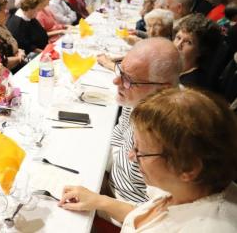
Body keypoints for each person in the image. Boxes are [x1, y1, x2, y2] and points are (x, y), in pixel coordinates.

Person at [60, 88, 237, 233]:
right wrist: (99, 201)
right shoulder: (185, 189)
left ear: (188, 168)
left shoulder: (209, 227)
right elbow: (145, 215)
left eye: (140, 151)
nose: (131, 156)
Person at [104, 38, 182, 205]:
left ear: (163, 88)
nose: (116, 82)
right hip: (108, 184)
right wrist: (102, 171)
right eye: (120, 71)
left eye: (129, 79)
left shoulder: (170, 130)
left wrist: (101, 202)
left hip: (127, 211)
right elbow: (119, 133)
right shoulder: (138, 97)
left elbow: (158, 213)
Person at [173, 14, 222, 88]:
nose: (178, 45)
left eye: (188, 42)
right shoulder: (175, 69)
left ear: (201, 50)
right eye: (178, 38)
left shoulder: (193, 84)